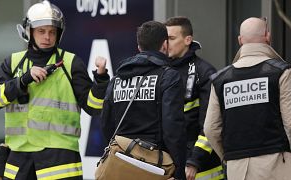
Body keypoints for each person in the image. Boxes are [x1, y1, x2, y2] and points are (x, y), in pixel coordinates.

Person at [0, 1, 109, 179]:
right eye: (41, 31)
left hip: (60, 164)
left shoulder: (71, 63)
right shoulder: (12, 63)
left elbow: (94, 107)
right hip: (19, 163)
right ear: (29, 31)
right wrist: (22, 81)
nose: (47, 37)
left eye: (52, 32)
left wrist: (101, 78)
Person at [204, 17, 291, 180]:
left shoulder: (221, 79)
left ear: (240, 40)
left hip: (237, 169)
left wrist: (230, 156)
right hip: (277, 165)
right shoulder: (281, 72)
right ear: (268, 36)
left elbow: (210, 128)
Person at [101, 21, 187, 180]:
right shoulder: (168, 77)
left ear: (139, 47)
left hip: (121, 165)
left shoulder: (117, 79)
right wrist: (179, 170)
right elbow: (173, 128)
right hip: (155, 167)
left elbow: (106, 123)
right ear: (164, 45)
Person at [165, 16, 223, 180]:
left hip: (201, 169)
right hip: (169, 165)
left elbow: (210, 123)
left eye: (172, 38)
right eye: (165, 39)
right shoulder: (161, 71)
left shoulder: (205, 72)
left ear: (188, 39)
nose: (167, 43)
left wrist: (194, 161)